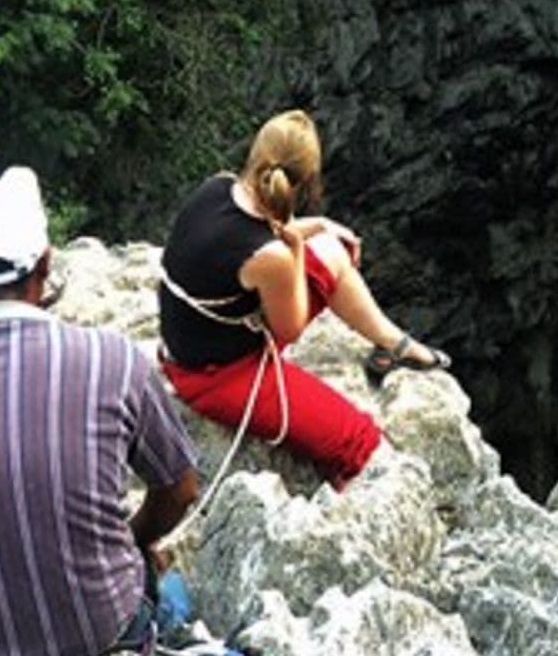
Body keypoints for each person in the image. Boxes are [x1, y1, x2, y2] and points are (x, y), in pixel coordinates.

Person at [0, 166, 200, 656]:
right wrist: (135, 539)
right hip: (97, 639)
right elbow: (181, 489)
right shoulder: (113, 360)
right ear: (45, 266)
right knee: (168, 590)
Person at [157, 108, 450, 488]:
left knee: (329, 248)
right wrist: (296, 249)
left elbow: (256, 230)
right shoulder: (271, 257)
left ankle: (391, 342)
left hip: (195, 344)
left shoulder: (218, 187)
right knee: (362, 444)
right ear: (306, 180)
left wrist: (320, 227)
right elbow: (289, 325)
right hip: (216, 376)